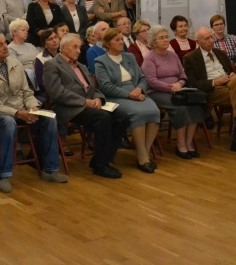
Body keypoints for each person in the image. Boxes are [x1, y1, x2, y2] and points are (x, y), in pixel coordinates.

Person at [0, 32, 68, 193]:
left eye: (5, 42)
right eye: (0, 44)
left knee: (49, 118)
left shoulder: (15, 63)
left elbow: (27, 91)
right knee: (8, 122)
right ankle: (4, 174)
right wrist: (17, 113)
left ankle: (50, 169)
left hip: (22, 109)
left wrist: (34, 107)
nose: (6, 46)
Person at [43, 33, 124, 179]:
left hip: (90, 104)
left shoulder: (81, 65)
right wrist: (84, 101)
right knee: (103, 118)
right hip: (69, 108)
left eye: (79, 47)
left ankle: (102, 158)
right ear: (63, 47)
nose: (79, 51)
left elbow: (93, 88)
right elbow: (57, 93)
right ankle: (101, 165)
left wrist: (99, 99)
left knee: (121, 116)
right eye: (74, 47)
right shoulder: (52, 65)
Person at [95, 28, 160, 173]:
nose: (120, 42)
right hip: (118, 96)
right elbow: (106, 87)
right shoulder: (100, 62)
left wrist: (139, 90)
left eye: (121, 39)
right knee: (138, 113)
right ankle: (143, 158)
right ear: (107, 43)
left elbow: (143, 78)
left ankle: (144, 152)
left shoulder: (129, 57)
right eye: (116, 40)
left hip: (137, 92)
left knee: (154, 111)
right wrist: (130, 94)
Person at [185, 27, 236, 154]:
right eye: (206, 38)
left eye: (212, 37)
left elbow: (229, 71)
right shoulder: (190, 58)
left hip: (229, 85)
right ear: (198, 42)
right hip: (212, 89)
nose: (211, 40)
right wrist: (215, 82)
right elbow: (194, 83)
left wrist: (232, 75)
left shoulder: (220, 53)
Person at [142, 25, 205, 159]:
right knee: (181, 108)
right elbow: (151, 81)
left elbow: (183, 74)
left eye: (166, 37)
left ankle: (189, 144)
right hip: (156, 92)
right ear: (154, 42)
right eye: (161, 38)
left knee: (195, 106)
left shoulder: (173, 55)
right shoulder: (150, 58)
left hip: (178, 89)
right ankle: (181, 145)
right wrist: (170, 87)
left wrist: (179, 83)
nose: (165, 40)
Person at [33, 28, 60, 104]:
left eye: (55, 37)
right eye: (50, 39)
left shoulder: (63, 53)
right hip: (49, 92)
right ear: (45, 44)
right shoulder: (40, 58)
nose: (55, 40)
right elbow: (41, 83)